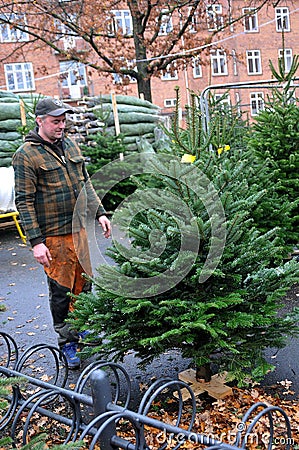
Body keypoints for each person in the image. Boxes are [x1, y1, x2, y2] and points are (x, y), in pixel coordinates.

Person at [13, 97, 111, 369]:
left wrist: (100, 212)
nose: (61, 126)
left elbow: (85, 183)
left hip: (79, 230)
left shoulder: (70, 145)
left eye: (63, 120)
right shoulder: (26, 155)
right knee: (62, 291)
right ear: (40, 121)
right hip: (54, 237)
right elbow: (24, 200)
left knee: (84, 285)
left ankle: (82, 329)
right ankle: (67, 343)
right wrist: (36, 242)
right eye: (56, 121)